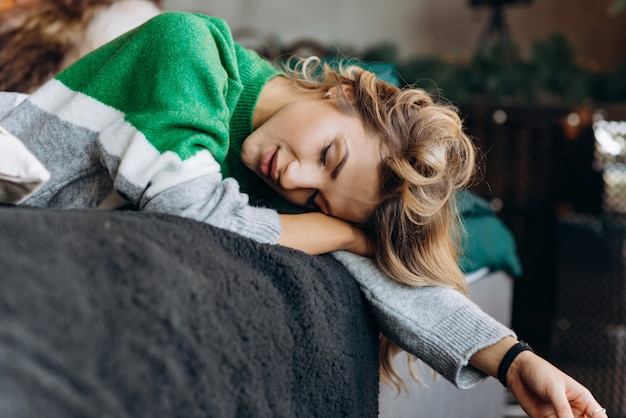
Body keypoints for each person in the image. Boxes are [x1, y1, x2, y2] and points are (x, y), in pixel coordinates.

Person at [0, 11, 607, 418]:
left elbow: (391, 275)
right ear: (347, 92)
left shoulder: (276, 187)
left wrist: (514, 361)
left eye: (319, 198)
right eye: (329, 156)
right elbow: (184, 216)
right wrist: (337, 228)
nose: (294, 179)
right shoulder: (188, 49)